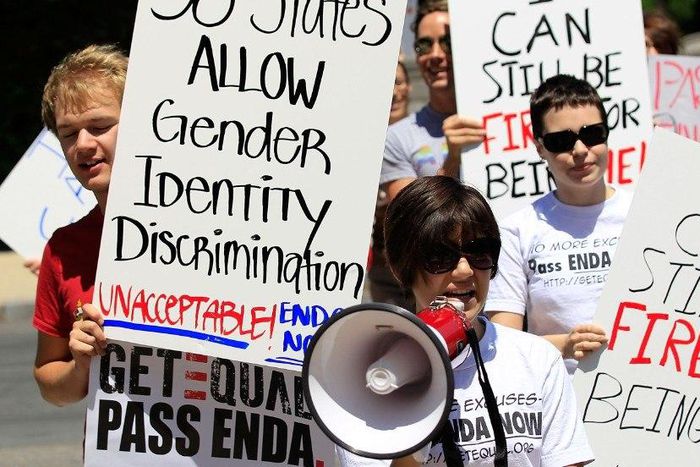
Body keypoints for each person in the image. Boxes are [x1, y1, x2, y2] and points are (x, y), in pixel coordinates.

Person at [337, 176, 594, 466]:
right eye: (438, 256)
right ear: (401, 267)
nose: (463, 271)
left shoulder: (537, 359)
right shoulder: (364, 381)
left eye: (478, 252)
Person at [484, 75, 632, 375]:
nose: (579, 149)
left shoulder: (644, 212)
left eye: (592, 134)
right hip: (560, 402)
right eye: (561, 141)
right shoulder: (516, 230)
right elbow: (504, 342)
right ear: (540, 148)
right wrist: (565, 345)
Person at [32, 44, 126, 405]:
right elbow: (49, 380)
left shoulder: (217, 232)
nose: (84, 145)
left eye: (100, 126)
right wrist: (80, 366)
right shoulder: (63, 249)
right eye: (69, 133)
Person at [380, 0, 485, 201]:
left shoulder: (505, 117)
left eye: (447, 43)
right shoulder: (396, 139)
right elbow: (412, 221)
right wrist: (451, 160)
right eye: (424, 45)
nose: (435, 55)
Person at [368, 55, 415, 309]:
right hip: (384, 266)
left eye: (397, 82)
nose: (393, 93)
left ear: (409, 86)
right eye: (386, 84)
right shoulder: (360, 144)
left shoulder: (428, 134)